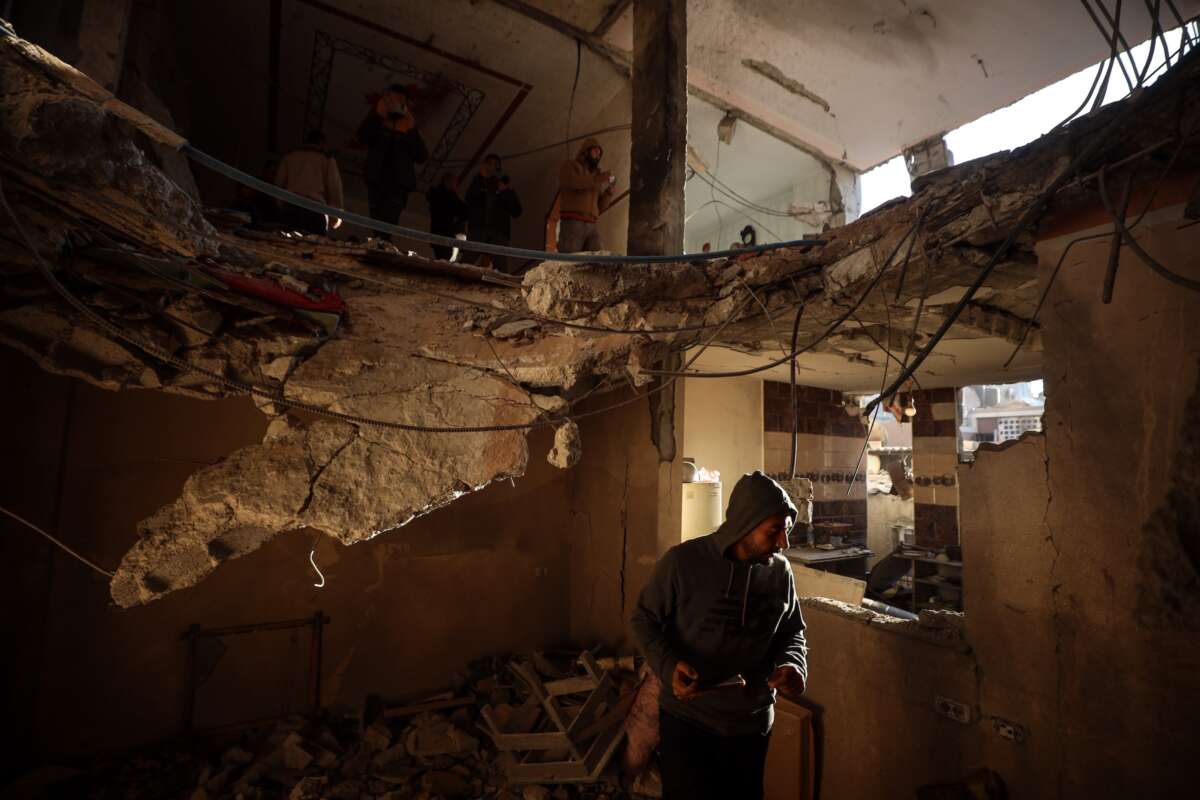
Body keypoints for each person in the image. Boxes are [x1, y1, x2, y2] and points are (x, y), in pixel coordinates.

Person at [630, 471, 808, 800]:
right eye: (774, 531)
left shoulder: (780, 573)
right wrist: (669, 667)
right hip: (689, 724)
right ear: (745, 525)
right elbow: (643, 620)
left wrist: (793, 665)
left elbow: (792, 632)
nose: (783, 542)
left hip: (750, 727)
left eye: (785, 529)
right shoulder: (682, 563)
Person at [358, 84, 428, 231]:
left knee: (389, 221)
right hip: (377, 179)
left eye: (399, 101)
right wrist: (378, 115)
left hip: (398, 183)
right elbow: (362, 138)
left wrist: (411, 128)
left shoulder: (409, 126)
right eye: (391, 100)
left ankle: (382, 243)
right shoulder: (377, 119)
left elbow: (422, 156)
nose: (394, 104)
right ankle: (378, 243)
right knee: (376, 221)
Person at [274, 131, 343, 236]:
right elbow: (334, 188)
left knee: (286, 247)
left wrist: (282, 205)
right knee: (313, 248)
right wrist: (335, 215)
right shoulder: (326, 158)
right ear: (322, 143)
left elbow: (278, 183)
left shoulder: (290, 155)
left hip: (291, 206)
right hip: (315, 209)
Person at [557, 137, 615, 253]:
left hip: (591, 225)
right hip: (573, 223)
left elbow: (599, 207)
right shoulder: (570, 166)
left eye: (600, 154)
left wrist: (609, 192)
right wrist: (599, 178)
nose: (598, 156)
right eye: (595, 151)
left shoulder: (595, 177)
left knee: (598, 259)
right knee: (569, 262)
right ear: (586, 151)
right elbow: (577, 183)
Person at [465, 154, 522, 271]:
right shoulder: (478, 182)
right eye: (489, 164)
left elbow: (517, 211)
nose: (492, 168)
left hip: (498, 233)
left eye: (495, 165)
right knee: (467, 260)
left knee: (501, 267)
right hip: (478, 229)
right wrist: (481, 178)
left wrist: (505, 191)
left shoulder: (504, 187)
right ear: (484, 165)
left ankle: (500, 287)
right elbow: (469, 199)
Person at [426, 173, 468, 260]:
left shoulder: (435, 196)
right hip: (447, 235)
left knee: (441, 259)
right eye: (455, 183)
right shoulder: (450, 196)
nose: (456, 185)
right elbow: (464, 211)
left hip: (436, 234)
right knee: (445, 260)